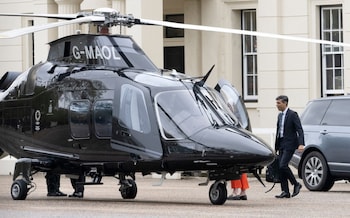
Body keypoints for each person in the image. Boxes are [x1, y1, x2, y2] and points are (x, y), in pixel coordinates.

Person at [274, 95, 304, 198]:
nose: (277, 105)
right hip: (281, 143)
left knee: (283, 165)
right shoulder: (280, 116)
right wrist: (276, 146)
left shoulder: (292, 115)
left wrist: (301, 143)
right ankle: (285, 191)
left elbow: (299, 129)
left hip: (290, 144)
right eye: (276, 103)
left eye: (279, 103)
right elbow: (278, 131)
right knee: (280, 167)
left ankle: (296, 184)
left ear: (285, 103)